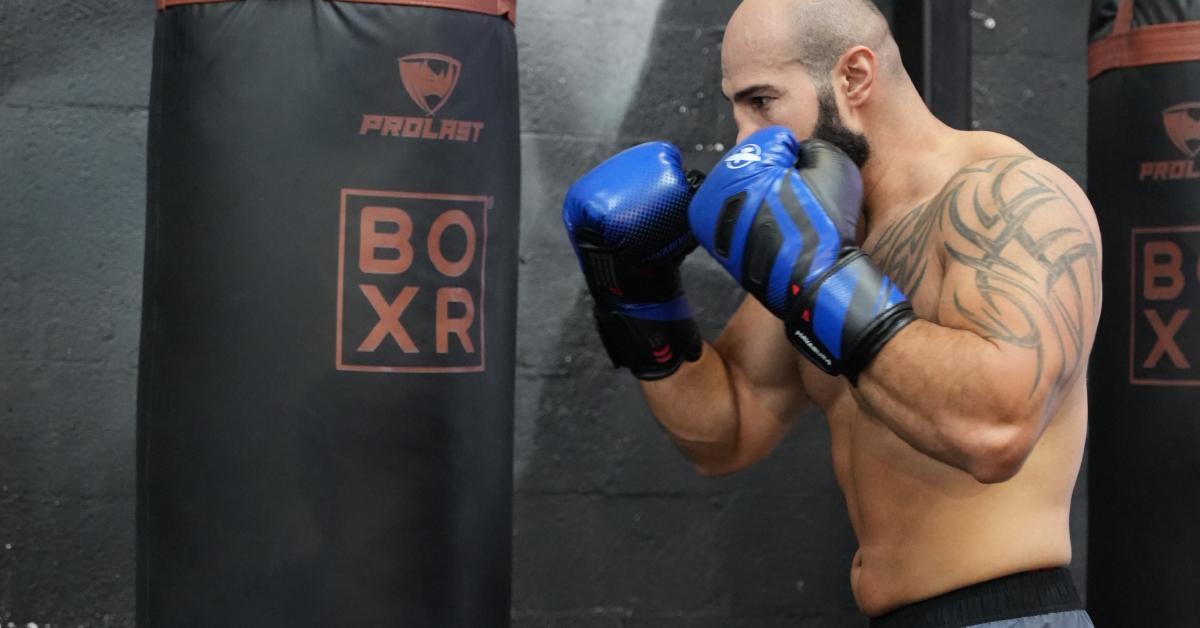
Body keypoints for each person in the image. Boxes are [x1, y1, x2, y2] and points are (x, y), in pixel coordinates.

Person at [562, 0, 1101, 626]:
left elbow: (995, 431)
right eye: (737, 107)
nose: (745, 139)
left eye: (762, 101)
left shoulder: (1005, 195)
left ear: (854, 77)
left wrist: (822, 279)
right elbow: (725, 431)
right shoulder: (822, 232)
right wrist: (639, 297)